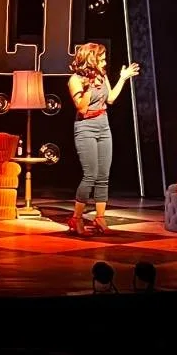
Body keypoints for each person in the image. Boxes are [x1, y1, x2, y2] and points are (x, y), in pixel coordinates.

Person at [66, 43, 140, 236]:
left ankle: (100, 217)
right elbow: (82, 108)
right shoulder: (75, 80)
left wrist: (123, 78)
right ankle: (76, 218)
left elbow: (111, 98)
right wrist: (88, 88)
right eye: (102, 59)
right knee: (90, 174)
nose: (105, 62)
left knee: (103, 176)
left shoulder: (102, 75)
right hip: (85, 127)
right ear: (91, 59)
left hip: (103, 125)